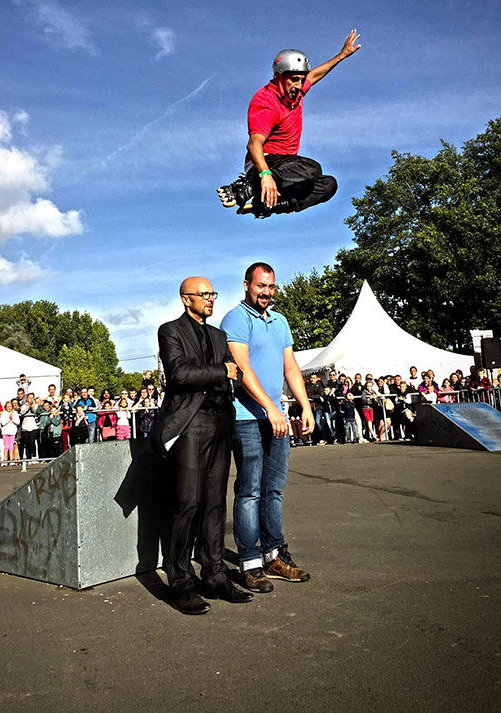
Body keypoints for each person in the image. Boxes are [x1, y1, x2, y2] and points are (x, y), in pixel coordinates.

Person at [157, 275, 251, 615]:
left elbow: (237, 374)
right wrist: (220, 370)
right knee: (188, 501)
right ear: (186, 299)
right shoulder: (170, 331)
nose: (211, 299)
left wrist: (225, 372)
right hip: (190, 423)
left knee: (215, 501)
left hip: (221, 420)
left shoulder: (219, 335)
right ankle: (180, 581)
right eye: (204, 294)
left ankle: (214, 573)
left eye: (212, 293)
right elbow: (179, 375)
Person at [220, 262, 314, 593]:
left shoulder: (280, 321)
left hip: (276, 417)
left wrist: (304, 405)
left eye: (271, 287)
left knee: (274, 489)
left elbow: (290, 366)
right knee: (249, 491)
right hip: (246, 418)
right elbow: (242, 369)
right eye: (261, 286)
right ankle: (249, 562)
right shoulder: (235, 319)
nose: (266, 292)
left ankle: (274, 555)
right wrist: (270, 408)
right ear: (247, 285)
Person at [217, 30, 361, 218]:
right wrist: (265, 175)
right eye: (294, 80)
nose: (299, 86)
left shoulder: (296, 92)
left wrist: (342, 55)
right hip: (263, 163)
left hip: (287, 169)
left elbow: (316, 75)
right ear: (279, 77)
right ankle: (245, 187)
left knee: (328, 184)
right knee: (312, 169)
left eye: (301, 80)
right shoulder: (266, 102)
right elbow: (254, 144)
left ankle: (269, 206)